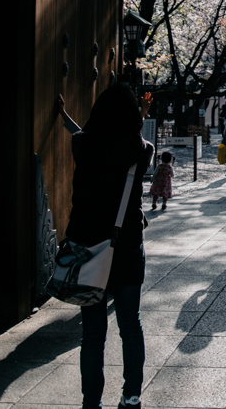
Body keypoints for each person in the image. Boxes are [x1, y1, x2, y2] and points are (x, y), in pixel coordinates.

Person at [56, 86, 154, 409]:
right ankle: (131, 396)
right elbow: (130, 138)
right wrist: (140, 113)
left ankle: (91, 402)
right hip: (125, 246)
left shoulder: (82, 145)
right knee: (130, 324)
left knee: (93, 333)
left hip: (87, 248)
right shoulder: (142, 151)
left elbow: (83, 133)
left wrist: (64, 115)